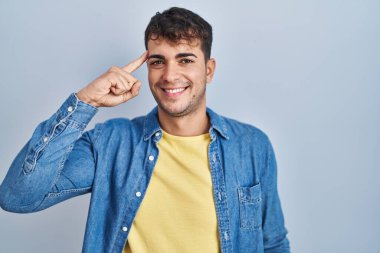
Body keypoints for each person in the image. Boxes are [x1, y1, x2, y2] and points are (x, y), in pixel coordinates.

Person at [0, 7, 290, 253]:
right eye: (157, 62)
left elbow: (273, 242)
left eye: (185, 60)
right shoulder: (110, 143)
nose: (170, 75)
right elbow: (17, 197)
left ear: (209, 70)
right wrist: (84, 101)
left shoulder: (252, 145)